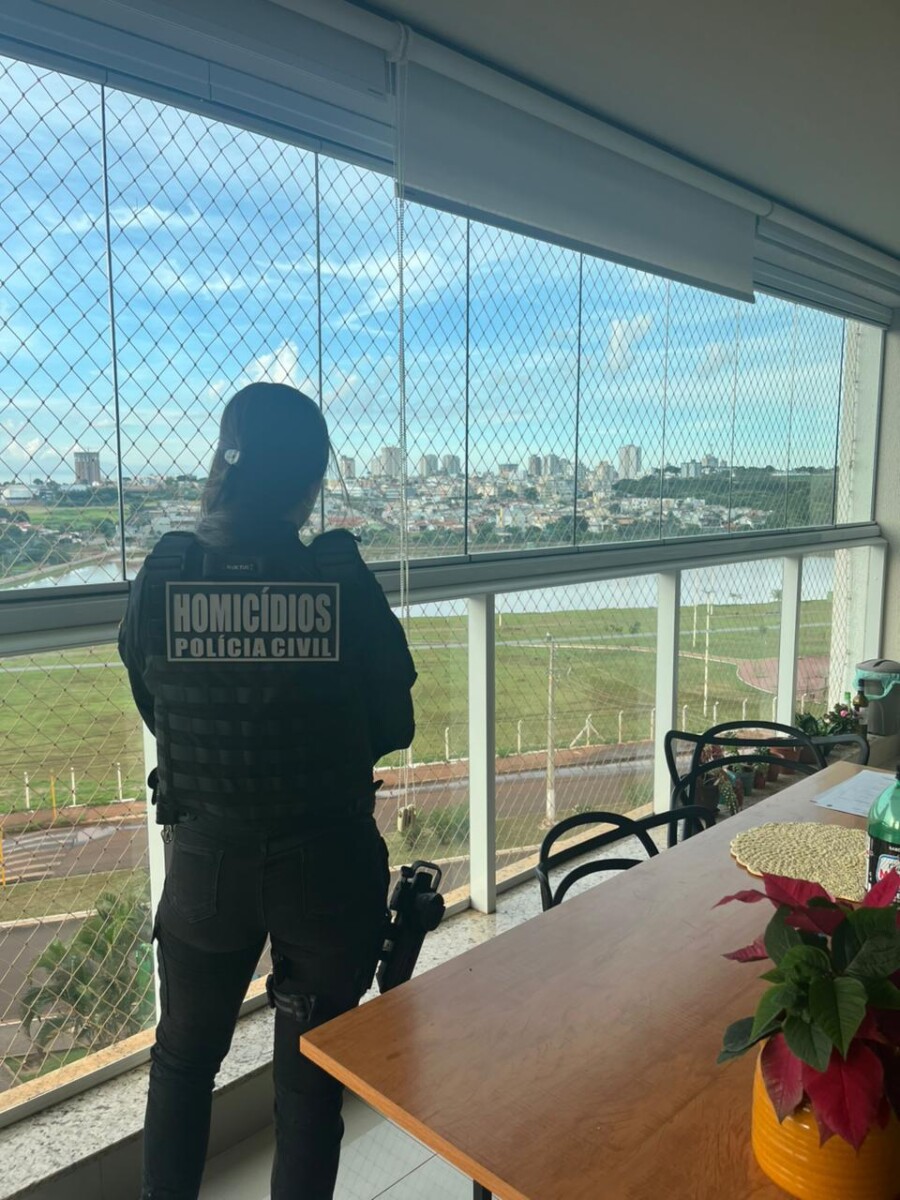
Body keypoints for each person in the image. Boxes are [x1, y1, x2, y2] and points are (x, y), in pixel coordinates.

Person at [118, 382, 417, 1200]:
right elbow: (395, 721)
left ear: (225, 464)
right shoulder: (337, 577)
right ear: (311, 478)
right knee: (310, 1087)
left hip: (205, 861)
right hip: (326, 865)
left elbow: (153, 701)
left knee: (183, 1063)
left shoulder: (168, 570)